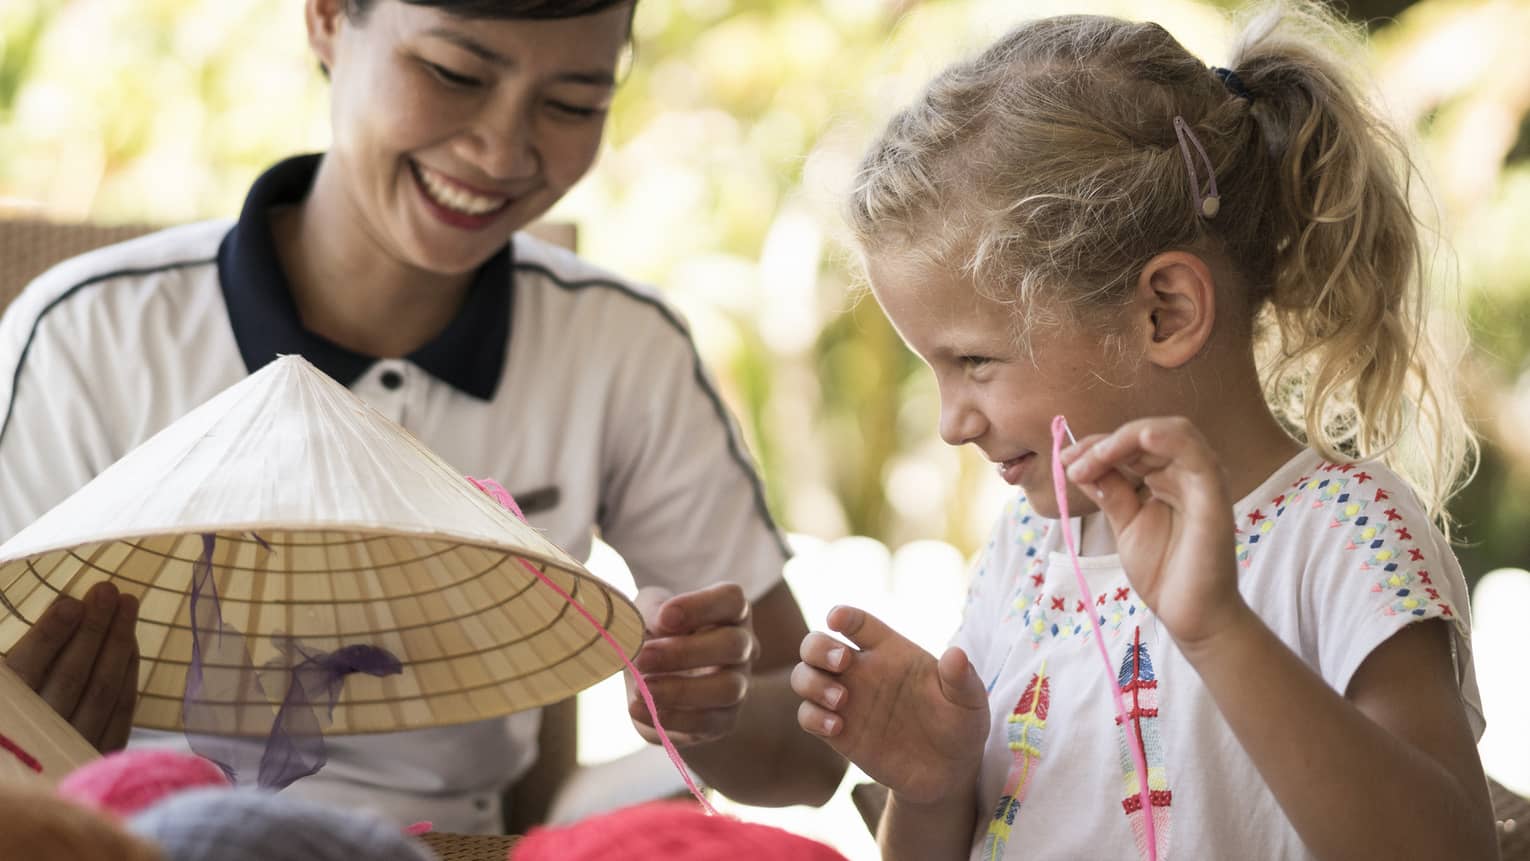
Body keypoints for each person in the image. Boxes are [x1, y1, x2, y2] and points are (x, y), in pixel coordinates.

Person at [0, 0, 844, 833]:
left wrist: (708, 716)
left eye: (573, 104)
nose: (502, 149)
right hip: (142, 836)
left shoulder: (618, 348)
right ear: (328, 19)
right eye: (453, 73)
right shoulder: (88, 336)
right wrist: (34, 740)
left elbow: (810, 759)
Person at [791, 6, 1497, 859]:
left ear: (1165, 312)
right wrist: (930, 781)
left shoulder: (1344, 534)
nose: (951, 423)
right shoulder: (1029, 551)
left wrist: (1218, 630)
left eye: (975, 360)